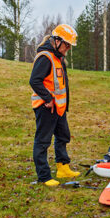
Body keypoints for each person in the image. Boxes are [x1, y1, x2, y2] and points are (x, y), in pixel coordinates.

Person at [29, 24, 81, 187]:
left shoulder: (58, 58)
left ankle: (62, 167)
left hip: (59, 108)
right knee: (43, 141)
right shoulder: (45, 57)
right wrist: (48, 99)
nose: (68, 49)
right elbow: (34, 81)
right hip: (46, 107)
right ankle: (44, 176)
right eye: (67, 45)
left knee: (63, 135)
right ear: (57, 41)